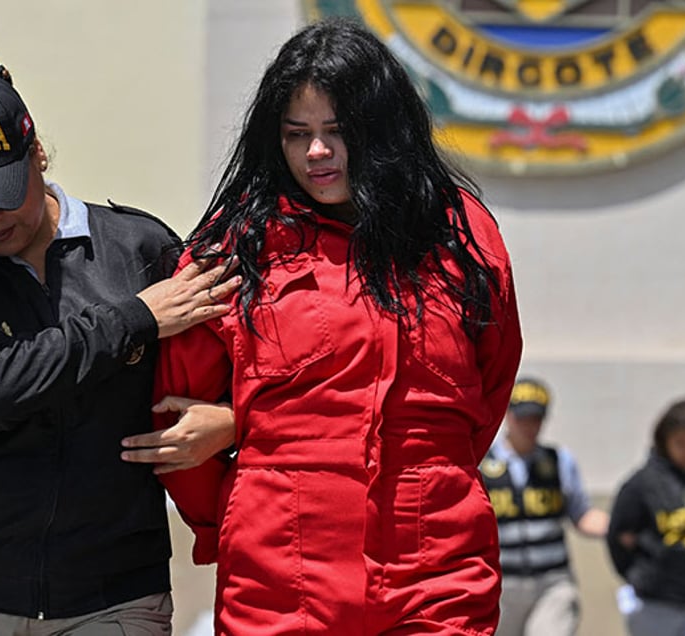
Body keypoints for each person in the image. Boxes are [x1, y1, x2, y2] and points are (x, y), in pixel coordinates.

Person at [122, 18, 523, 635]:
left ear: (384, 130)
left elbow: (490, 383)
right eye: (297, 134)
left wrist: (426, 471)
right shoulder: (235, 248)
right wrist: (248, 504)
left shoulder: (461, 235)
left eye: (338, 132)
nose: (317, 152)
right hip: (280, 575)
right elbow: (179, 418)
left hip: (439, 569)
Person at [0, 53, 238, 635]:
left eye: (1, 191)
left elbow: (247, 361)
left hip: (116, 597)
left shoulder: (139, 249)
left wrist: (230, 420)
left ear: (37, 153)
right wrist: (132, 322)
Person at [479, 376, 610, 636]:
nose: (529, 426)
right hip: (499, 585)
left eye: (536, 419)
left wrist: (622, 526)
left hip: (551, 584)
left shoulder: (559, 461)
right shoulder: (482, 463)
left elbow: (581, 514)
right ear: (507, 415)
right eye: (522, 418)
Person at [607, 398, 685, 636]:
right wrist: (638, 578)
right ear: (664, 441)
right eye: (681, 444)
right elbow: (618, 536)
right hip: (655, 604)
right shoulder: (643, 484)